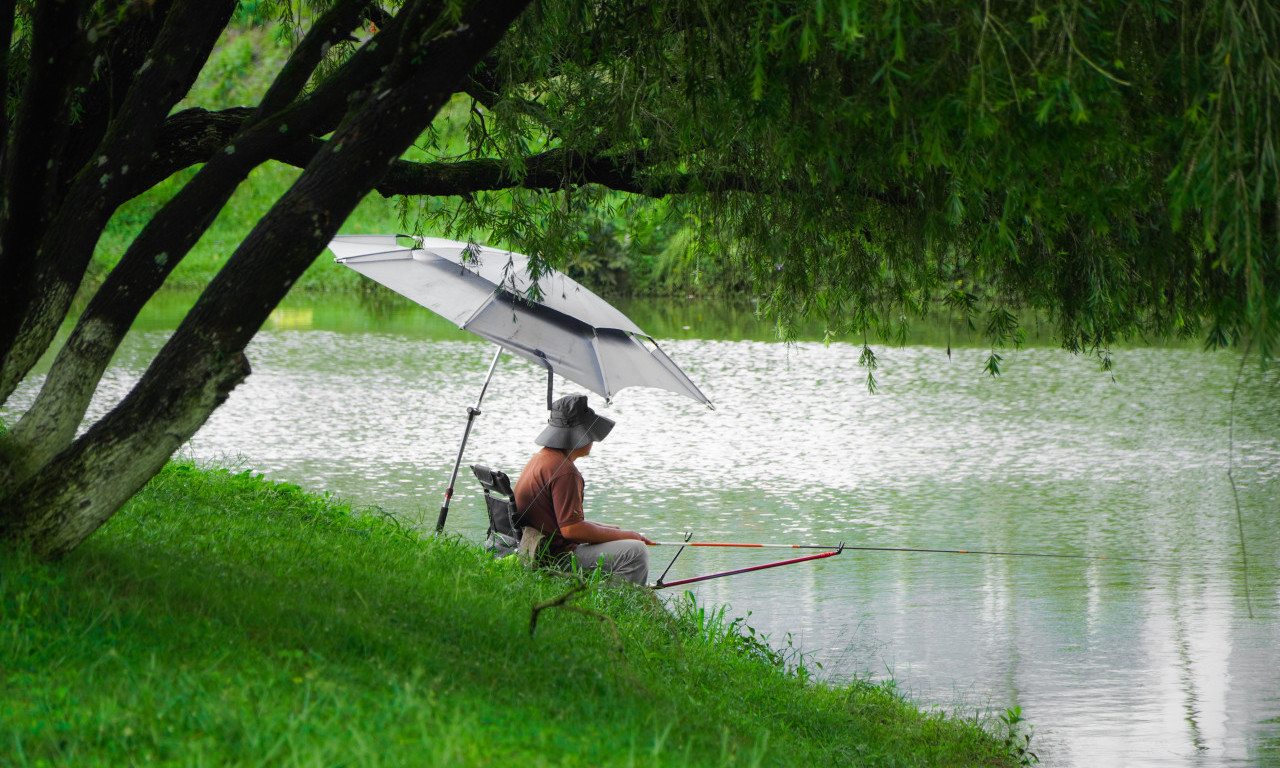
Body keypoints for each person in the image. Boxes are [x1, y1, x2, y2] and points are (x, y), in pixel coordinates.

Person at [513, 394, 652, 585]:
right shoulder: (565, 472)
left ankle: (605, 593)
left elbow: (564, 523)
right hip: (556, 559)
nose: (593, 439)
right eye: (590, 432)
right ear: (578, 435)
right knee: (635, 551)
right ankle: (617, 603)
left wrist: (612, 530)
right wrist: (630, 536)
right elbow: (572, 530)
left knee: (622, 539)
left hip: (541, 549)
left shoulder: (541, 459)